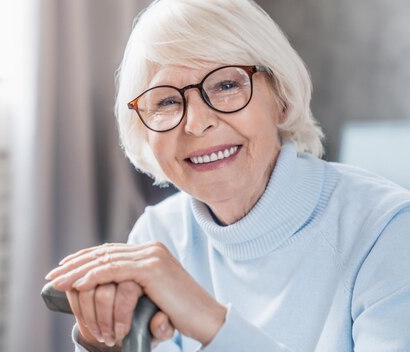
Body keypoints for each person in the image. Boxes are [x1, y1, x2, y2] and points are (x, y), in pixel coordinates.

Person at [45, 0, 410, 350]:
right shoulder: (159, 234)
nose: (197, 122)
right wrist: (110, 344)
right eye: (167, 101)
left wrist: (209, 321)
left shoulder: (389, 230)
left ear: (280, 98)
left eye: (226, 85)